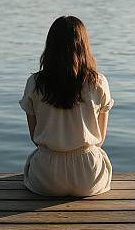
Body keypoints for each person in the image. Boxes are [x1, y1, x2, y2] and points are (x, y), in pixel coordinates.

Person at [19, 15, 114, 197]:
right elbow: (100, 138)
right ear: (84, 45)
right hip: (88, 176)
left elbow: (34, 137)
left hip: (47, 176)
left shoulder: (35, 83)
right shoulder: (98, 82)